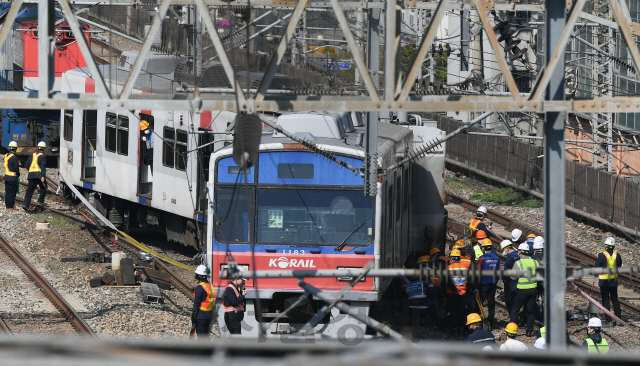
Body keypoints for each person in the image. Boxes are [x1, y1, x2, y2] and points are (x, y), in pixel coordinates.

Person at [510, 243, 540, 337]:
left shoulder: (518, 263)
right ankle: (529, 331)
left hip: (522, 290)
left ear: (520, 252)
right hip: (533, 289)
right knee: (531, 310)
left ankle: (513, 330)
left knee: (515, 309)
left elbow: (513, 277)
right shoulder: (535, 262)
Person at [402, 255, 437, 326]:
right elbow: (432, 294)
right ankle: (425, 319)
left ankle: (412, 319)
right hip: (424, 308)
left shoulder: (408, 285)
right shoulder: (425, 283)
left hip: (411, 309)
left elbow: (405, 295)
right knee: (431, 304)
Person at [595, 237, 622, 326]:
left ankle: (608, 321)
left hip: (604, 282)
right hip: (613, 282)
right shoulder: (617, 255)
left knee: (605, 301)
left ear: (606, 246)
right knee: (615, 300)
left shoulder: (602, 255)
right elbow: (619, 265)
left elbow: (596, 267)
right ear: (613, 246)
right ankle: (618, 320)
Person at [477, 238, 500, 328]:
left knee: (480, 302)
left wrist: (477, 283)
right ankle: (491, 321)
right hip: (493, 283)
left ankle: (480, 320)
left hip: (483, 283)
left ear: (483, 248)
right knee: (491, 303)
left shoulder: (482, 258)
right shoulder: (497, 258)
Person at [446, 249, 467, 336]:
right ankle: (461, 328)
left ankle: (454, 329)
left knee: (453, 311)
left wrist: (454, 289)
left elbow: (447, 281)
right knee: (461, 311)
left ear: (451, 258)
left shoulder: (448, 268)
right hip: (462, 293)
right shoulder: (465, 268)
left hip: (452, 293)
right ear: (459, 258)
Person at [22, 141, 47, 211]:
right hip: (38, 175)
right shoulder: (43, 156)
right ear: (44, 149)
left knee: (30, 190)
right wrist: (43, 176)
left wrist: (31, 170)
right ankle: (40, 201)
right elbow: (43, 167)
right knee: (44, 188)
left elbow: (26, 165)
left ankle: (26, 204)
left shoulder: (31, 156)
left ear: (37, 148)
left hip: (31, 175)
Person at [191, 265, 215, 339]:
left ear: (199, 276)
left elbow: (197, 302)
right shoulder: (210, 286)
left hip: (201, 316)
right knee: (206, 337)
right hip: (209, 315)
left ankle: (203, 350)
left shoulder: (200, 287)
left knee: (201, 337)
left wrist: (193, 314)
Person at [501, 240, 519, 314]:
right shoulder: (518, 255)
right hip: (519, 281)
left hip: (510, 283)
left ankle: (513, 320)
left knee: (509, 303)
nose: (503, 251)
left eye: (503, 250)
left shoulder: (509, 258)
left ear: (507, 248)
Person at [4, 141, 20, 211]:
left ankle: (7, 206)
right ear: (15, 149)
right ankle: (11, 206)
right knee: (12, 192)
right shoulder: (14, 158)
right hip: (12, 178)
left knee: (7, 192)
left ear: (9, 148)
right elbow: (16, 168)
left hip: (6, 177)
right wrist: (18, 175)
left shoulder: (6, 156)